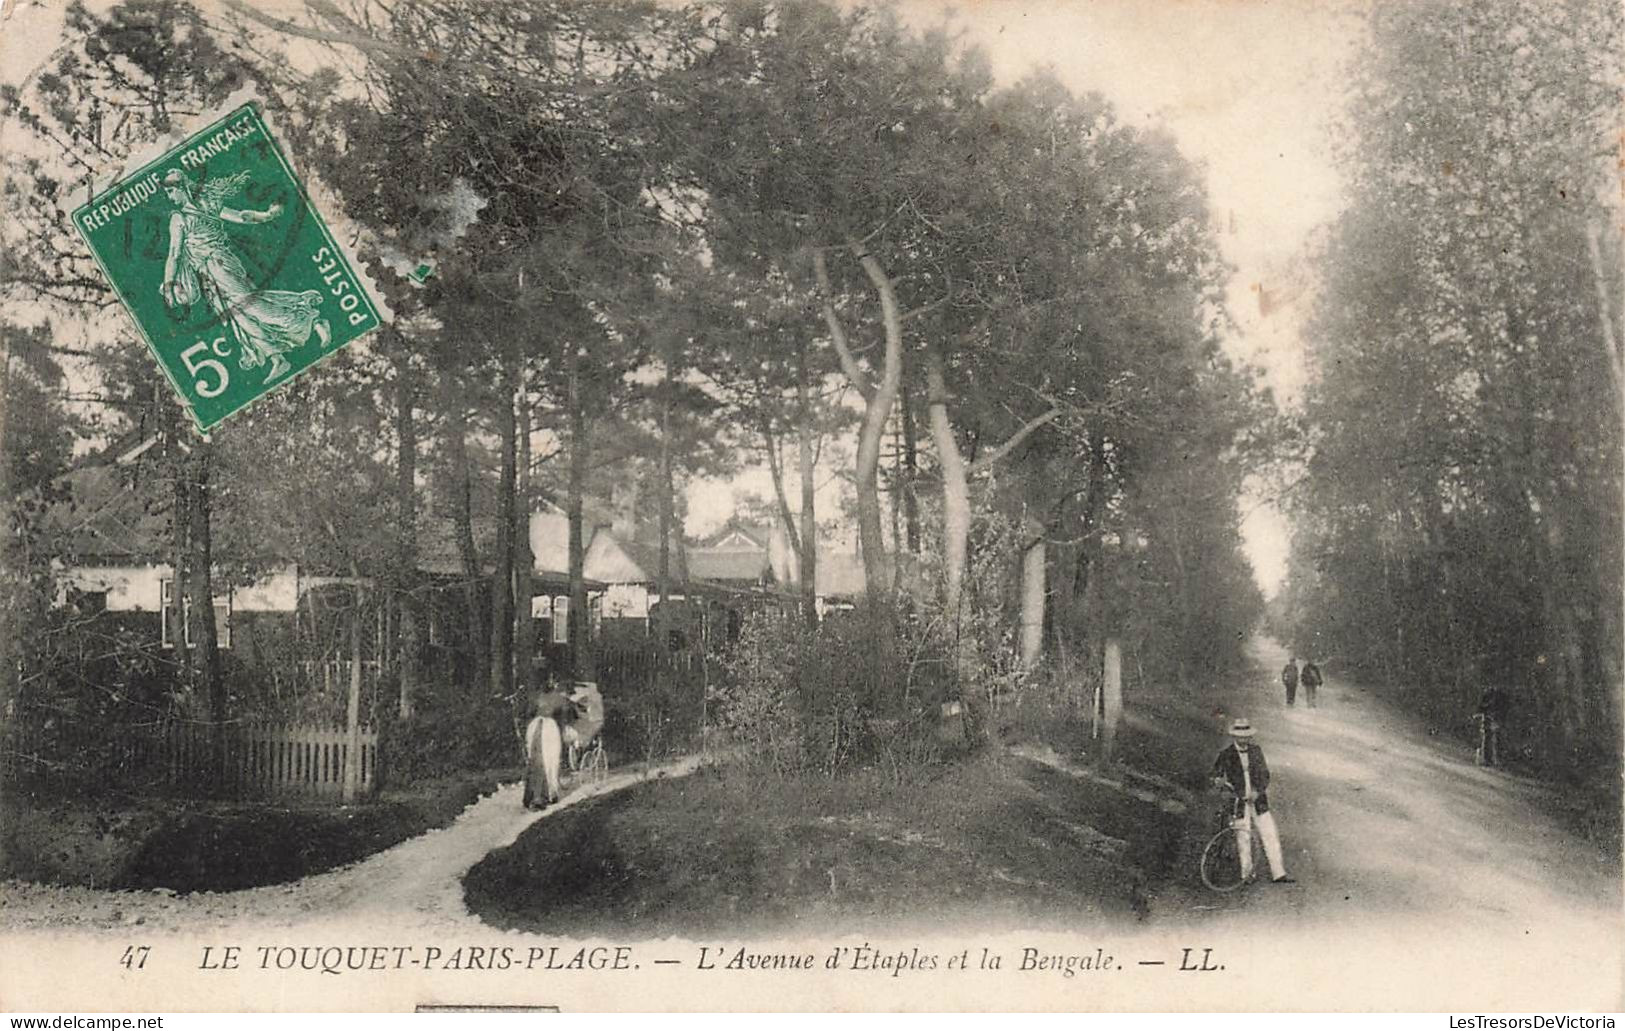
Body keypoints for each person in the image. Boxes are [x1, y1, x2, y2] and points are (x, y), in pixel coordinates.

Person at [159, 168, 331, 384]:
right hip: (210, 275)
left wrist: (168, 284)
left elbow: (174, 254)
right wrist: (266, 215)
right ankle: (276, 358)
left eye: (171, 192)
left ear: (181, 188)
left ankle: (312, 319)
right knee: (239, 316)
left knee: (253, 306)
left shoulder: (179, 218)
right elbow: (242, 216)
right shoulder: (207, 205)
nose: (170, 197)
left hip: (219, 266)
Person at [1211, 718, 1295, 884]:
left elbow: (1265, 775)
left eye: (1246, 736)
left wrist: (1258, 791)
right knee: (1243, 837)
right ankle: (1247, 875)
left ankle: (1279, 874)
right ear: (1234, 737)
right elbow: (1215, 776)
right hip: (1239, 803)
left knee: (1270, 834)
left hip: (1258, 802)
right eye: (1240, 736)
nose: (1243, 740)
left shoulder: (1256, 751)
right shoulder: (1226, 755)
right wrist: (1219, 782)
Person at [1475, 686, 1510, 767]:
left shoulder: (1500, 695)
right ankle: (1487, 758)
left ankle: (1492, 758)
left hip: (1494, 716)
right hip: (1489, 716)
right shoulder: (1490, 693)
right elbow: (1482, 705)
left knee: (1494, 737)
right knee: (1488, 736)